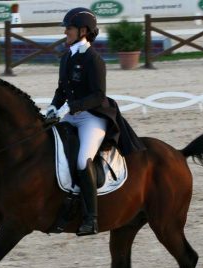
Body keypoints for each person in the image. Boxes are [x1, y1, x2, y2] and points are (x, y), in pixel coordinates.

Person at [46, 7, 145, 236]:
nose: (65, 32)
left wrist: (70, 108)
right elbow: (62, 90)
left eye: (69, 28)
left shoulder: (94, 59)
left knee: (82, 160)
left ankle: (91, 218)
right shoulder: (67, 56)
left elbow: (98, 96)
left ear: (83, 30)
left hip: (93, 117)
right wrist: (53, 106)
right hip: (72, 115)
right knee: (53, 149)